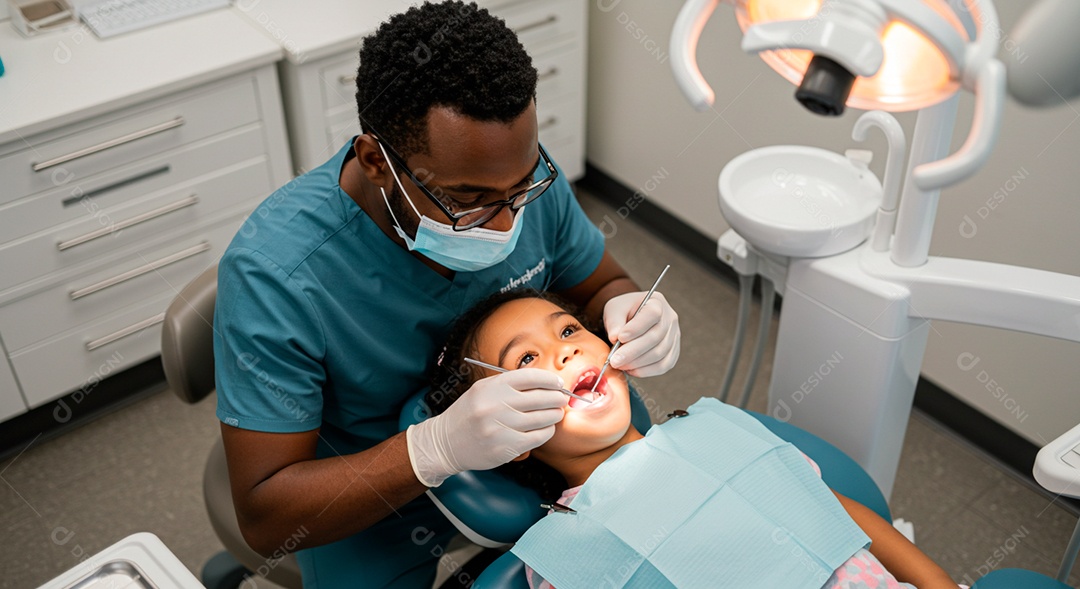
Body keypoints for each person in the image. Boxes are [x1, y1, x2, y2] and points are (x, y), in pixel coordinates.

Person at [212, 2, 681, 588]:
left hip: (533, 459)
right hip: (366, 489)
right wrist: (434, 450)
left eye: (519, 189)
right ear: (376, 162)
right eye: (466, 201)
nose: (506, 223)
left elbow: (604, 284)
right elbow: (265, 516)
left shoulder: (511, 179)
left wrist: (634, 310)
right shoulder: (275, 276)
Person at [427, 289, 965, 589]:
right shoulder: (568, 553)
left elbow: (836, 513)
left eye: (569, 330)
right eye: (526, 359)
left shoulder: (717, 432)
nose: (565, 351)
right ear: (509, 432)